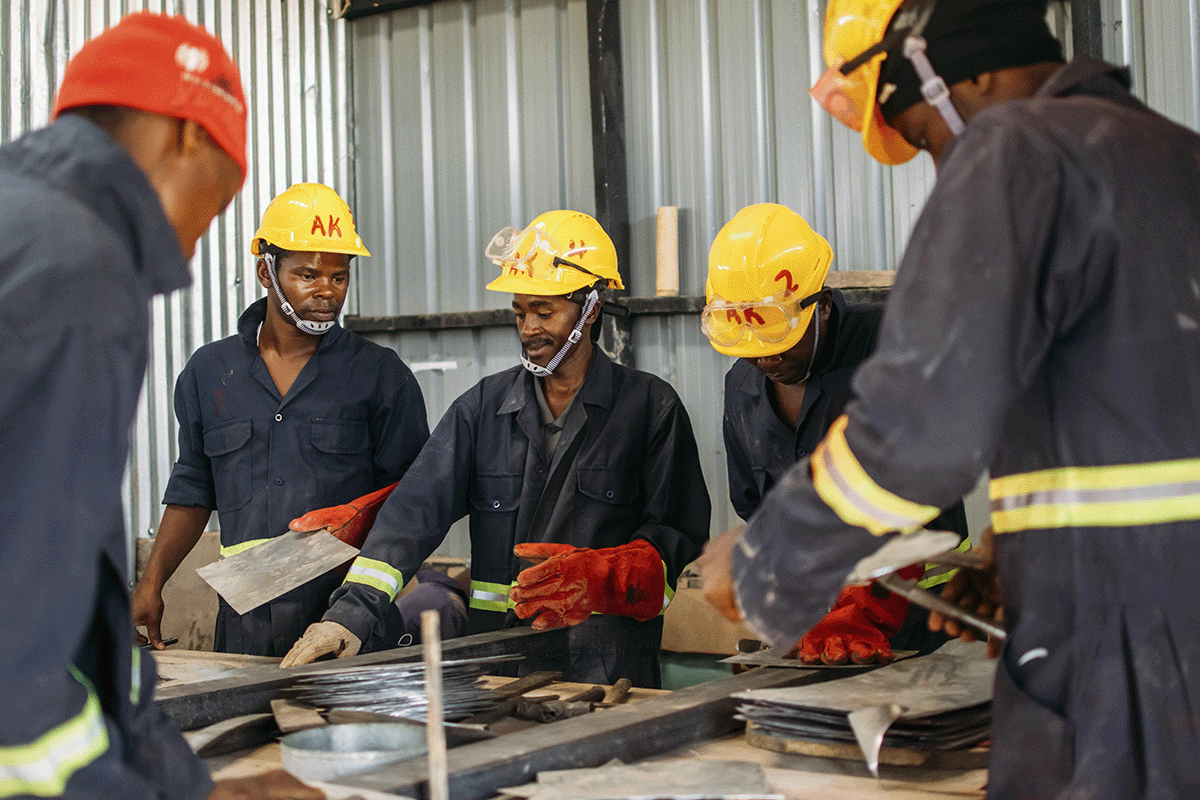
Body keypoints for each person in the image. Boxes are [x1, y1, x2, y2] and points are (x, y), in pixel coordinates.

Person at [699, 0, 1200, 798]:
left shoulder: (1013, 148)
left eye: (926, 135)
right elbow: (1131, 400)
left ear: (964, 68)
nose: (940, 167)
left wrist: (769, 561)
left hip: (1121, 659)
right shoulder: (1173, 156)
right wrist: (1015, 546)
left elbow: (916, 431)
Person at [0, 12, 319, 800]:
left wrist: (195, 790)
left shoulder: (24, 227)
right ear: (187, 138)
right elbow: (24, 658)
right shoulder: (81, 267)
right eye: (221, 200)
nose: (200, 239)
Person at [280, 210, 710, 687]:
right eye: (520, 311)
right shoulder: (481, 410)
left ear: (590, 309)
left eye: (545, 312)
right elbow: (411, 516)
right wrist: (350, 616)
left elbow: (678, 536)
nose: (528, 328)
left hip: (608, 671)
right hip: (497, 670)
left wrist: (606, 578)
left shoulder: (650, 408)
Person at [133, 182, 429, 658]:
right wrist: (151, 582)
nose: (326, 293)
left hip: (349, 629)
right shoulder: (210, 374)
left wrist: (357, 598)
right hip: (244, 630)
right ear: (266, 272)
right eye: (308, 275)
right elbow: (193, 486)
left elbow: (415, 502)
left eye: (339, 277)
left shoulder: (380, 376)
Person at [703, 202, 968, 665]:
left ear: (820, 306)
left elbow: (918, 486)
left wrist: (863, 606)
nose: (765, 357)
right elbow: (754, 506)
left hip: (919, 624)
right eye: (751, 344)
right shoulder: (741, 388)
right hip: (812, 632)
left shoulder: (894, 345)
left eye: (779, 338)